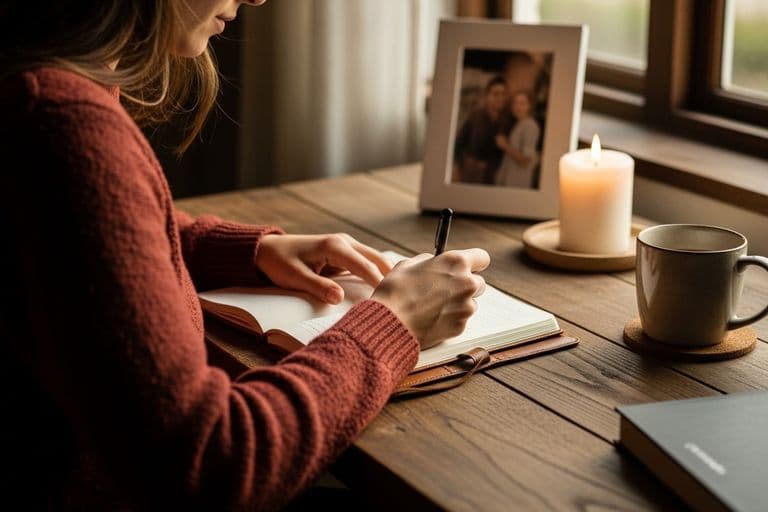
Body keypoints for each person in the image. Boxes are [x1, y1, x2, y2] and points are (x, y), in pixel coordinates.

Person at [0, 1, 490, 510]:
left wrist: (248, 251)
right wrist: (396, 322)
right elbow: (211, 464)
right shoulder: (63, 127)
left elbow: (68, 243)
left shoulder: (37, 86)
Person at [453, 75, 509, 185]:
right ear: (487, 96)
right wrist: (456, 168)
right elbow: (459, 143)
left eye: (503, 94)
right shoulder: (475, 115)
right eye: (496, 94)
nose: (500, 98)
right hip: (470, 170)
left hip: (493, 174)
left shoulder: (506, 120)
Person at [494, 91, 541, 189]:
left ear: (529, 106)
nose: (517, 107)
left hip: (517, 183)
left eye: (522, 103)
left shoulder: (530, 126)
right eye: (515, 103)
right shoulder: (520, 124)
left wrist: (505, 145)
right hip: (510, 182)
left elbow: (525, 160)